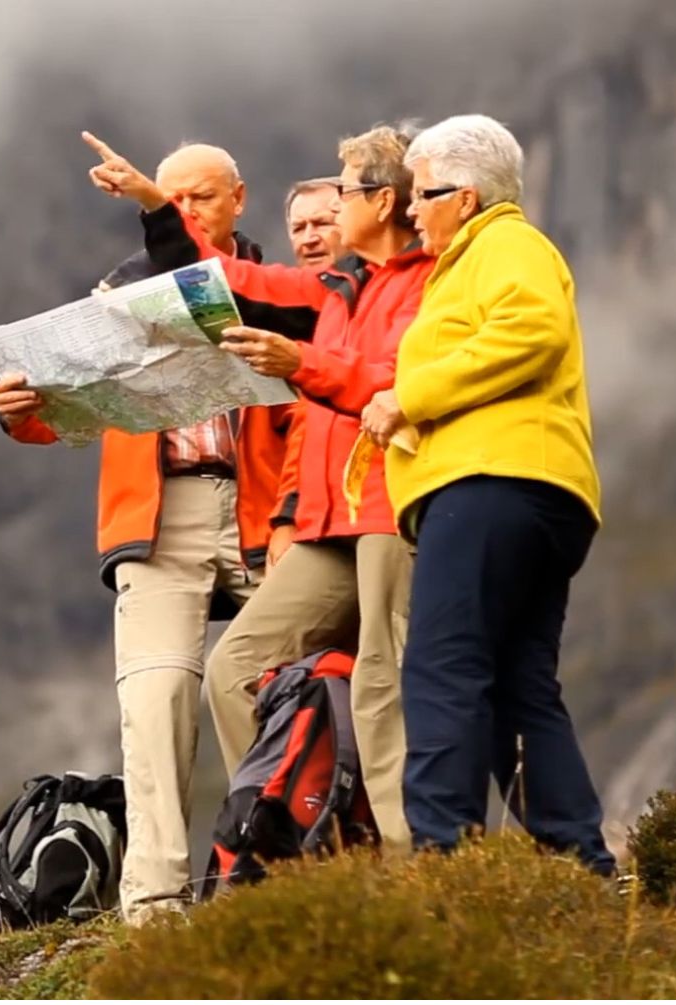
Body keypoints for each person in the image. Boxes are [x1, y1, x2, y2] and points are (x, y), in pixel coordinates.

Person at [0, 138, 307, 921]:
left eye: (200, 197)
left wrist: (300, 512)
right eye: (175, 199)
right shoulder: (119, 295)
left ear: (238, 197)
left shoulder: (282, 289)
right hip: (163, 514)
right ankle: (155, 902)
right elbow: (71, 410)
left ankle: (277, 875)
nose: (187, 210)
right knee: (158, 692)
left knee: (284, 682)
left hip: (266, 506)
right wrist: (20, 414)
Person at [92, 124, 430, 852]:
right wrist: (154, 204)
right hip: (321, 523)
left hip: (390, 506)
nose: (330, 209)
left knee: (387, 681)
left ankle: (411, 872)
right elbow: (222, 282)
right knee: (236, 669)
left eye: (342, 194)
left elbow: (407, 388)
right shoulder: (330, 290)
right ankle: (277, 848)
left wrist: (300, 365)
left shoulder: (434, 282)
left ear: (384, 201)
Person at [359, 114, 614, 873]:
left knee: (443, 668)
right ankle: (580, 865)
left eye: (422, 194)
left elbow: (531, 330)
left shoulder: (507, 243)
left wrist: (409, 396)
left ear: (465, 197)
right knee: (517, 685)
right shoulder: (476, 257)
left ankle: (446, 867)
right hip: (538, 492)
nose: (410, 210)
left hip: (488, 485)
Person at [284, 177, 344, 271]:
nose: (308, 240)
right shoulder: (279, 284)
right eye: (298, 229)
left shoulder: (375, 283)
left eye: (322, 224)